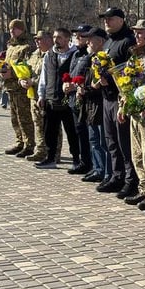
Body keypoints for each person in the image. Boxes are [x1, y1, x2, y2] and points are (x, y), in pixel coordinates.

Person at [96, 7, 138, 196]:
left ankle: (131, 180)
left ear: (121, 19)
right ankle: (116, 176)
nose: (106, 21)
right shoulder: (108, 42)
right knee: (110, 140)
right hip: (106, 98)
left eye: (110, 18)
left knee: (124, 143)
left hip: (120, 99)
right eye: (105, 19)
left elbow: (131, 73)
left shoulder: (128, 41)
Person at [118, 20, 145, 209]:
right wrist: (122, 105)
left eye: (141, 32)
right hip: (133, 111)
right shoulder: (135, 55)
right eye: (135, 32)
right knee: (136, 155)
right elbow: (126, 83)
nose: (137, 35)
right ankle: (143, 189)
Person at [35, 27, 81, 171]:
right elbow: (44, 76)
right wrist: (41, 95)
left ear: (67, 39)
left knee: (72, 131)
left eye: (60, 37)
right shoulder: (49, 55)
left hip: (68, 100)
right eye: (54, 37)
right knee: (49, 131)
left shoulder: (75, 54)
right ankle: (50, 158)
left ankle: (76, 159)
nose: (56, 40)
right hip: (51, 98)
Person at [0, 19, 35, 156]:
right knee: (15, 118)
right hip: (10, 87)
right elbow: (5, 63)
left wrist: (11, 73)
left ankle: (29, 144)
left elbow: (27, 67)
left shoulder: (27, 46)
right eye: (10, 29)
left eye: (15, 29)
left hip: (21, 88)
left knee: (24, 117)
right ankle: (20, 142)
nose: (12, 31)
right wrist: (1, 74)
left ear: (22, 30)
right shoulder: (11, 46)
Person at [79, 28, 110, 183]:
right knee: (93, 140)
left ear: (101, 41)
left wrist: (92, 87)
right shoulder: (92, 58)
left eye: (91, 39)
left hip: (100, 104)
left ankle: (106, 172)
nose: (88, 42)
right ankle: (97, 168)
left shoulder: (105, 59)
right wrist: (81, 87)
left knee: (103, 142)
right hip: (90, 103)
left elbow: (100, 84)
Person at [64, 25, 93, 176]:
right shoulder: (76, 54)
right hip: (73, 99)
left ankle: (90, 163)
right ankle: (82, 161)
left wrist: (75, 86)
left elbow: (87, 78)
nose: (78, 38)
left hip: (85, 99)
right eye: (76, 35)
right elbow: (71, 73)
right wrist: (66, 83)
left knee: (87, 134)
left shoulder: (90, 56)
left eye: (81, 36)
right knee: (78, 132)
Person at [23, 31, 52, 162]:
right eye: (36, 39)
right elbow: (27, 71)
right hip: (33, 95)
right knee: (38, 124)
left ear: (48, 40)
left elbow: (48, 77)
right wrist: (22, 80)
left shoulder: (52, 55)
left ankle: (53, 153)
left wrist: (32, 82)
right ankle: (40, 150)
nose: (37, 41)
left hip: (47, 95)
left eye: (40, 39)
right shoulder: (34, 55)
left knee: (50, 126)